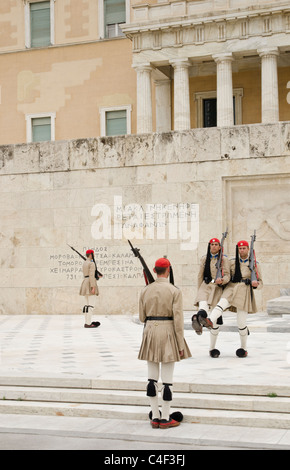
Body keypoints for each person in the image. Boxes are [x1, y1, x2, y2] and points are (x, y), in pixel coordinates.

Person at [138, 257, 192, 429]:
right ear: (168, 270)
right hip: (168, 331)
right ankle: (166, 417)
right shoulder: (174, 291)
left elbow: (141, 317)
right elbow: (178, 320)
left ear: (154, 271)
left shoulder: (145, 290)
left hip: (150, 332)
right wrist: (180, 344)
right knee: (167, 381)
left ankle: (155, 416)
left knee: (151, 378)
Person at [205, 240, 263, 358]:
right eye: (240, 248)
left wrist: (256, 284)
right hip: (231, 288)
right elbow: (226, 275)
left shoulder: (254, 264)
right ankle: (208, 321)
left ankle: (243, 348)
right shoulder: (231, 262)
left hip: (244, 291)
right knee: (220, 305)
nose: (241, 250)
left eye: (244, 248)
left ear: (248, 249)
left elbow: (260, 282)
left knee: (241, 323)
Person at [192, 237, 230, 339]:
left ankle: (201, 323)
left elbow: (227, 275)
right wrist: (199, 290)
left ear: (219, 247)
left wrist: (222, 280)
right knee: (202, 306)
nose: (213, 247)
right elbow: (200, 275)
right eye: (212, 245)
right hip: (205, 285)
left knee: (214, 318)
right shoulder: (204, 258)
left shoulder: (224, 259)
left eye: (216, 245)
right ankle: (198, 319)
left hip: (216, 288)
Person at [79, 249, 101, 328]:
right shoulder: (91, 263)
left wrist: (97, 276)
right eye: (93, 254)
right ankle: (88, 323)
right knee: (91, 305)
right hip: (90, 283)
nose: (94, 255)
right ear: (91, 255)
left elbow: (88, 274)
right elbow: (91, 276)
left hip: (85, 282)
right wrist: (93, 287)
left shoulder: (85, 263)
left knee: (86, 305)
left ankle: (87, 322)